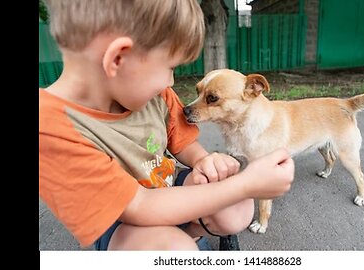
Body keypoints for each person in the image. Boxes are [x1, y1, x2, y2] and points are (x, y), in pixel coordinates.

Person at [39, 0, 295, 251]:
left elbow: (183, 142)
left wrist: (204, 160)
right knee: (170, 249)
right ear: (118, 58)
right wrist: (245, 184)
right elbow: (138, 205)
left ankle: (189, 235)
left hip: (165, 182)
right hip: (123, 221)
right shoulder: (51, 127)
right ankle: (179, 241)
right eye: (170, 67)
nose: (170, 81)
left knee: (237, 208)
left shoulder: (157, 96)